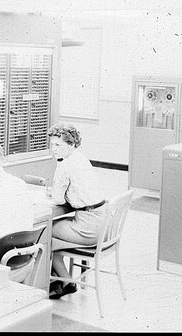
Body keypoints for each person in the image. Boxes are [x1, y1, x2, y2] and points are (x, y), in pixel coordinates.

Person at [47, 123, 106, 299]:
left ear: (71, 144)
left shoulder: (64, 165)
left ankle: (65, 281)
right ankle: (61, 278)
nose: (54, 149)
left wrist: (57, 193)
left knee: (45, 232)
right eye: (52, 144)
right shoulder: (81, 158)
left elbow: (57, 200)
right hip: (100, 223)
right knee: (54, 230)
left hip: (87, 227)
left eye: (58, 145)